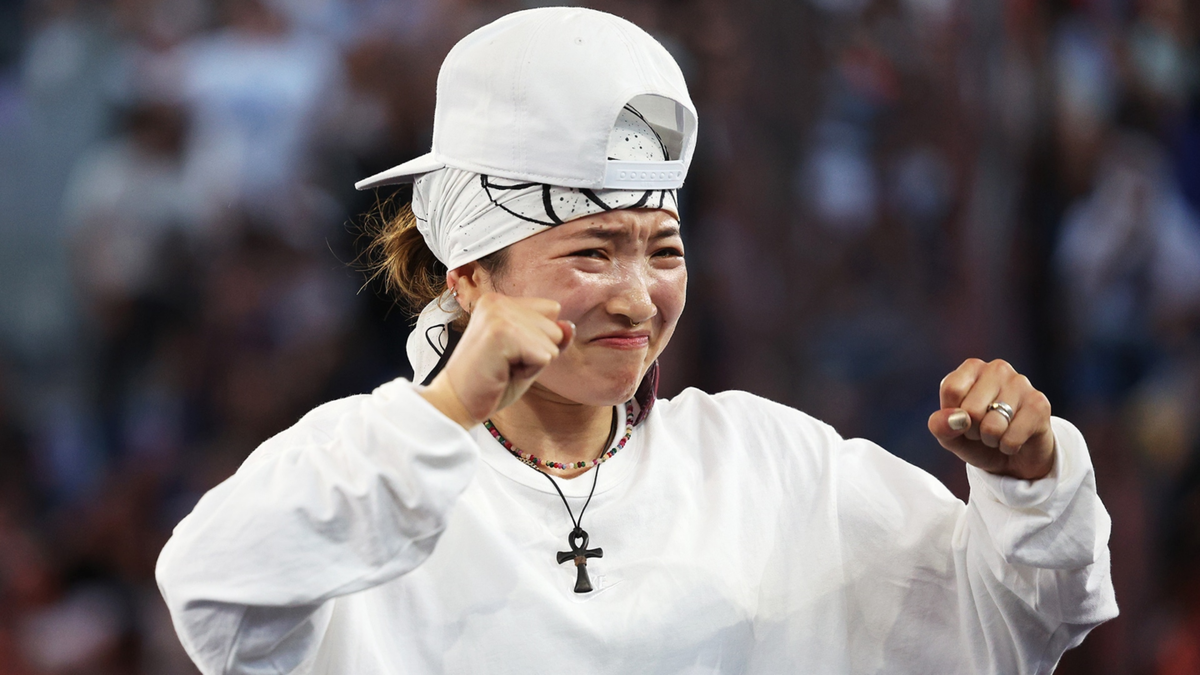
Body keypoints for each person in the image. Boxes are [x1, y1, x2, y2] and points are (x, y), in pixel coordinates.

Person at [156, 7, 1117, 674]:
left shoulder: (765, 464)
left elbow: (1009, 631)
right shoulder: (359, 465)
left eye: (662, 248)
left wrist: (1029, 481)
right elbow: (215, 597)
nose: (636, 296)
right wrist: (447, 413)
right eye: (591, 251)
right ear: (470, 274)